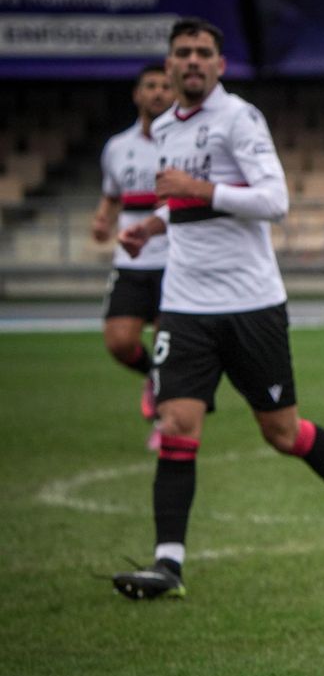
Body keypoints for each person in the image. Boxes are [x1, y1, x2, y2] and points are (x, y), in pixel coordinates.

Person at [110, 17, 324, 600]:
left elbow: (275, 200)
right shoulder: (163, 127)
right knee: (176, 425)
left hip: (252, 304)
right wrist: (153, 225)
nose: (192, 62)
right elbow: (183, 203)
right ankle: (169, 565)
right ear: (170, 62)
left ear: (219, 64)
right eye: (182, 53)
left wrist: (199, 189)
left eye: (203, 53)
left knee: (282, 433)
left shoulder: (239, 119)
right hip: (184, 304)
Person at [91, 63, 175, 439]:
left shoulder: (181, 142)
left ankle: (164, 424)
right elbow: (111, 196)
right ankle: (154, 377)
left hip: (174, 259)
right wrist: (102, 220)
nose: (157, 92)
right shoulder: (117, 147)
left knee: (165, 344)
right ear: (137, 94)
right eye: (150, 86)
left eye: (164, 86)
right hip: (131, 260)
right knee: (119, 341)